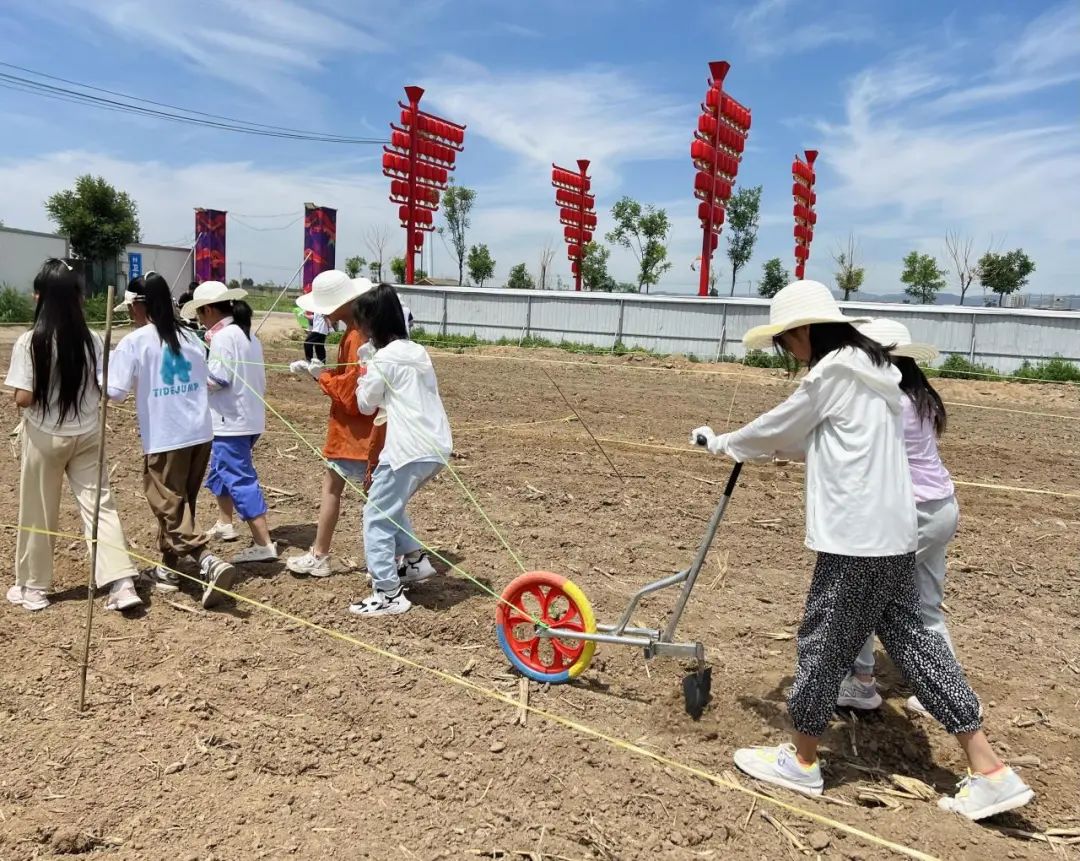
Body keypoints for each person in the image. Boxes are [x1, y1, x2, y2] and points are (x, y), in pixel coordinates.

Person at [691, 281, 1032, 821]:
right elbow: (815, 438)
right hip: (894, 535)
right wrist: (767, 450)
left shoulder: (833, 373)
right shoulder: (877, 375)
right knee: (914, 643)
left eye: (787, 341)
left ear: (803, 331)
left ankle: (802, 763)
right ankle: (989, 769)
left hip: (857, 539)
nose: (790, 352)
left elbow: (783, 422)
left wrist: (725, 442)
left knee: (824, 639)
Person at [837, 319, 960, 716]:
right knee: (926, 606)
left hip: (908, 514)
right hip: (941, 508)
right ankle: (943, 687)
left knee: (862, 593)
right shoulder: (922, 397)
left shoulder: (889, 405)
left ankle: (861, 681)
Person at [5, 259, 142, 613]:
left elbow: (24, 397)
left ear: (43, 298)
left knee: (38, 510)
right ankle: (121, 582)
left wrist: (15, 394)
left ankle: (34, 587)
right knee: (100, 506)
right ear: (77, 298)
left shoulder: (30, 341)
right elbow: (103, 383)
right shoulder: (93, 338)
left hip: (44, 435)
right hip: (88, 432)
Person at [107, 272, 236, 610]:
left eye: (132, 306)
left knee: (167, 504)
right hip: (199, 433)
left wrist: (95, 373)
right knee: (180, 504)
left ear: (141, 305)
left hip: (166, 436)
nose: (130, 312)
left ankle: (206, 559)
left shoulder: (135, 342)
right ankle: (169, 570)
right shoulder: (191, 337)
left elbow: (115, 392)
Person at [349, 283, 451, 617]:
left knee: (375, 518)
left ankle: (388, 593)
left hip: (406, 448)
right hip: (435, 445)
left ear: (372, 323)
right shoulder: (417, 351)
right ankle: (416, 563)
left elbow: (365, 405)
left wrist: (365, 367)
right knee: (389, 503)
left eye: (361, 322)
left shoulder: (382, 358)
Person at [284, 271, 385, 578]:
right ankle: (383, 559)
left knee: (368, 496)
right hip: (356, 431)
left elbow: (353, 395)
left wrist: (322, 377)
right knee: (371, 496)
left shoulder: (355, 338)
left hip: (354, 432)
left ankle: (380, 560)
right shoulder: (355, 333)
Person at [181, 281, 276, 564]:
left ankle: (263, 543)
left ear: (207, 310)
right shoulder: (245, 333)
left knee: (238, 477)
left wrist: (190, 382)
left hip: (231, 420)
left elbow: (218, 379)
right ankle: (225, 523)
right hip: (248, 418)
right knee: (221, 472)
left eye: (199, 312)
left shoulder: (223, 337)